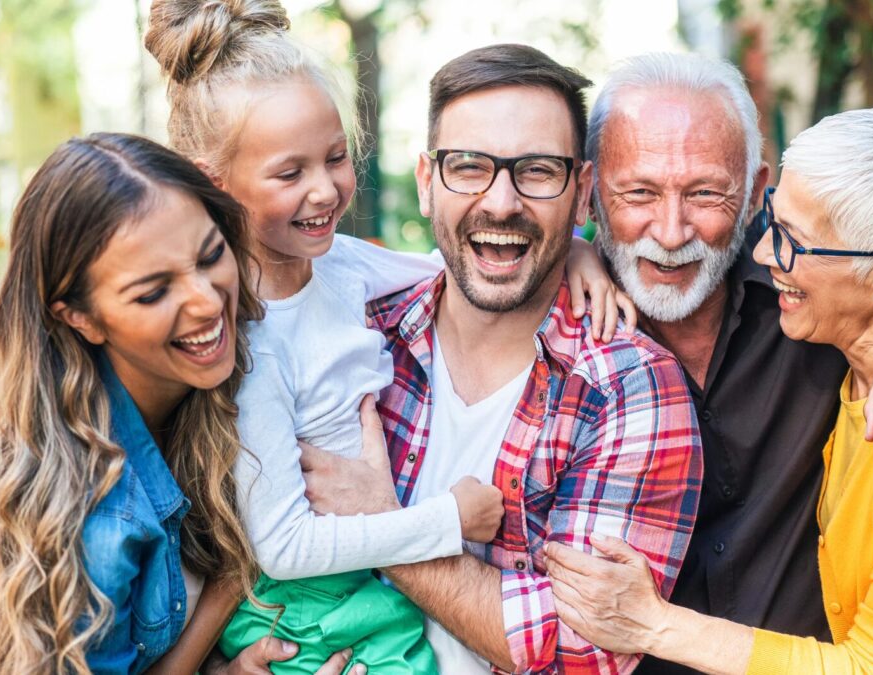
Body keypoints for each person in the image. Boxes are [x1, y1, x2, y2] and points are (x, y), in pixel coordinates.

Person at [143, 5, 633, 673]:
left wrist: (575, 251)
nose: (325, 189)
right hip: (303, 601)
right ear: (215, 183)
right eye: (290, 174)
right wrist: (446, 520)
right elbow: (282, 545)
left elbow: (464, 265)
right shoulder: (248, 339)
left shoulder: (340, 265)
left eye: (336, 157)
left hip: (358, 583)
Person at [569, 52, 873, 673]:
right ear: (590, 191)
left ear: (751, 191)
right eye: (637, 192)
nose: (669, 231)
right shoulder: (559, 315)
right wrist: (569, 250)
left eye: (705, 193)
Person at [298, 44, 703, 674]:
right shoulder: (355, 332)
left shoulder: (628, 384)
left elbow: (583, 651)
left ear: (582, 190)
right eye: (469, 166)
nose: (501, 201)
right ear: (427, 183)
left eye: (537, 170)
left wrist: (381, 524)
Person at [0, 133, 276, 674]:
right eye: (153, 292)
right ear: (78, 316)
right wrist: (234, 579)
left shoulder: (200, 382)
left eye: (210, 255)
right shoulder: (93, 517)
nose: (208, 301)